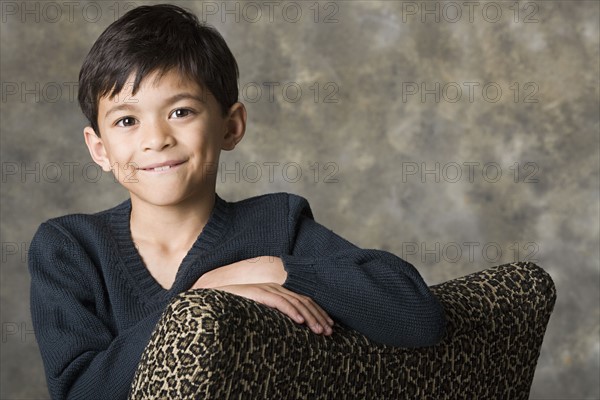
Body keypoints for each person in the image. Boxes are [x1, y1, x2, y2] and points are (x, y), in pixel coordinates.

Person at [28, 4, 446, 399]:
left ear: (231, 127)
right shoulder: (70, 247)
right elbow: (80, 390)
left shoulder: (275, 225)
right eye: (127, 121)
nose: (156, 139)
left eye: (181, 112)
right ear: (99, 149)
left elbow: (417, 315)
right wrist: (202, 295)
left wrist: (273, 269)